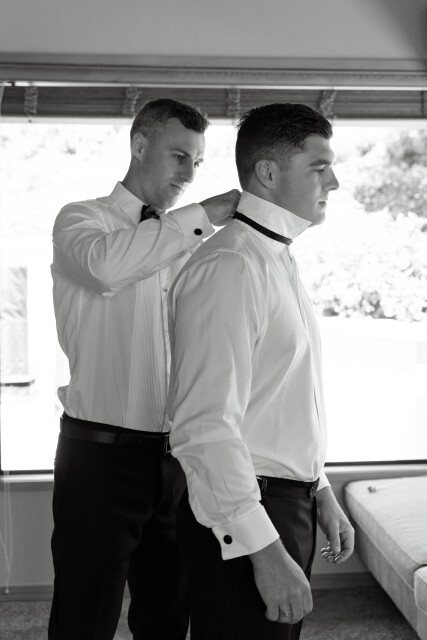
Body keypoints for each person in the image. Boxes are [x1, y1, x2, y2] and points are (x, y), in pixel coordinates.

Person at [49, 97, 240, 640]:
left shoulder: (193, 245)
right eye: (179, 156)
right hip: (99, 458)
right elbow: (107, 269)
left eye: (197, 162)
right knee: (85, 615)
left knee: (168, 614)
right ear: (139, 145)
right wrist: (205, 214)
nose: (189, 174)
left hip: (176, 461)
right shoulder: (82, 220)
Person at [167, 102, 355, 640]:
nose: (334, 182)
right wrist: (265, 551)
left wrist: (319, 489)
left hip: (284, 502)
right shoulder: (230, 265)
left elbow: (278, 400)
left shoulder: (275, 258)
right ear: (268, 173)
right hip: (251, 512)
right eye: (319, 168)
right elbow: (205, 427)